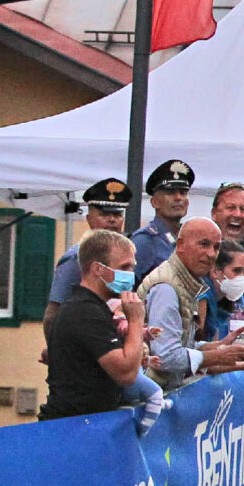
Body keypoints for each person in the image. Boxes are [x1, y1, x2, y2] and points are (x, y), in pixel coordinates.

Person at [142, 217, 244, 389]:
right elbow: (166, 357)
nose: (211, 254)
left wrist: (223, 347)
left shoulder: (188, 283)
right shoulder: (167, 288)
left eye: (216, 247)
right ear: (180, 245)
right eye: (204, 244)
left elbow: (186, 346)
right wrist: (216, 356)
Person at [40, 231, 152, 420]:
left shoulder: (95, 308)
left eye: (132, 267)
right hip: (73, 427)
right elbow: (126, 374)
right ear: (97, 269)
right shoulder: (85, 312)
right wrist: (135, 320)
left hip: (86, 423)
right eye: (124, 267)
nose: (130, 275)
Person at [46, 178, 131, 322]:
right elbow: (54, 314)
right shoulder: (76, 258)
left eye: (117, 215)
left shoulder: (126, 256)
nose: (112, 220)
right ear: (89, 219)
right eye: (104, 214)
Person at [130, 159, 195, 279]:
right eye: (170, 193)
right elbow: (130, 285)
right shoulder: (145, 241)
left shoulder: (189, 238)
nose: (178, 198)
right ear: (154, 202)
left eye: (183, 193)